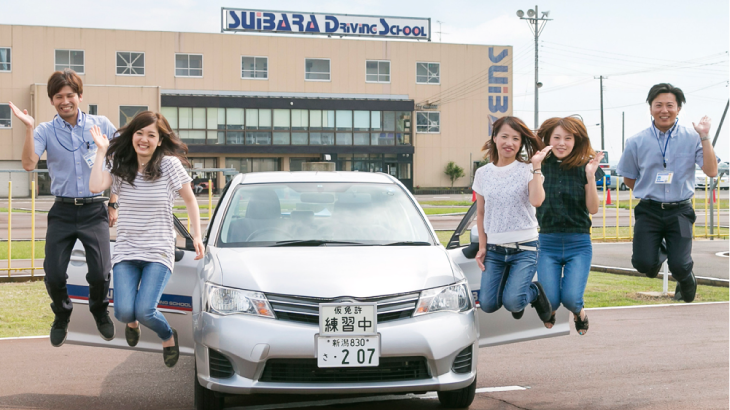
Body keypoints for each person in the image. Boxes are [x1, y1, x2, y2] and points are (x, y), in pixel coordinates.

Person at [9, 69, 119, 347]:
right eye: (59, 96)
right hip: (63, 211)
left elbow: (121, 164)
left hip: (95, 210)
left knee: (100, 272)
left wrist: (113, 201)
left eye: (70, 95)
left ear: (80, 96)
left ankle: (98, 309)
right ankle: (62, 313)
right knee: (54, 273)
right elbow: (29, 164)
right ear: (52, 100)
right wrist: (29, 127)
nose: (65, 100)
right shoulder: (45, 130)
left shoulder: (101, 123)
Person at [88, 111, 204, 367]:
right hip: (127, 249)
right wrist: (101, 151)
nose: (144, 139)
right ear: (132, 136)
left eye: (151, 135)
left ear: (160, 140)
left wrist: (197, 234)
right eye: (139, 133)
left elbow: (189, 200)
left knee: (145, 309)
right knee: (122, 312)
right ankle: (132, 322)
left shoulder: (169, 166)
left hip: (158, 250)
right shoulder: (120, 163)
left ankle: (166, 335)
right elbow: (96, 186)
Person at [617, 83, 717, 303]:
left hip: (680, 210)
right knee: (644, 265)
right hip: (649, 210)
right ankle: (663, 246)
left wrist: (705, 137)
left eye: (670, 105)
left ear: (678, 108)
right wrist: (651, 191)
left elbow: (711, 171)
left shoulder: (692, 138)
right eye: (658, 105)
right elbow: (629, 178)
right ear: (650, 108)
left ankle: (687, 278)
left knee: (679, 265)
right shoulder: (636, 141)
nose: (664, 110)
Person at [473, 116, 553, 322]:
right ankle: (517, 292)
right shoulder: (482, 173)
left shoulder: (527, 169)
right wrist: (482, 246)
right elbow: (481, 213)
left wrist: (536, 166)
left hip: (525, 247)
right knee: (488, 304)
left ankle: (533, 292)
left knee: (513, 302)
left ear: (520, 143)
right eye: (505, 136)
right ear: (495, 138)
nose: (509, 143)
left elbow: (536, 201)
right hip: (495, 250)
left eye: (515, 138)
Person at [535, 117, 605, 335]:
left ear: (577, 141)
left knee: (572, 300)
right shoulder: (538, 166)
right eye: (556, 137)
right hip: (547, 242)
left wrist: (590, 177)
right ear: (547, 139)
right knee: (552, 302)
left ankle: (579, 312)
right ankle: (553, 310)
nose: (561, 143)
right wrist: (535, 167)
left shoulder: (586, 167)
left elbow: (593, 209)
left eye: (568, 138)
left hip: (579, 243)